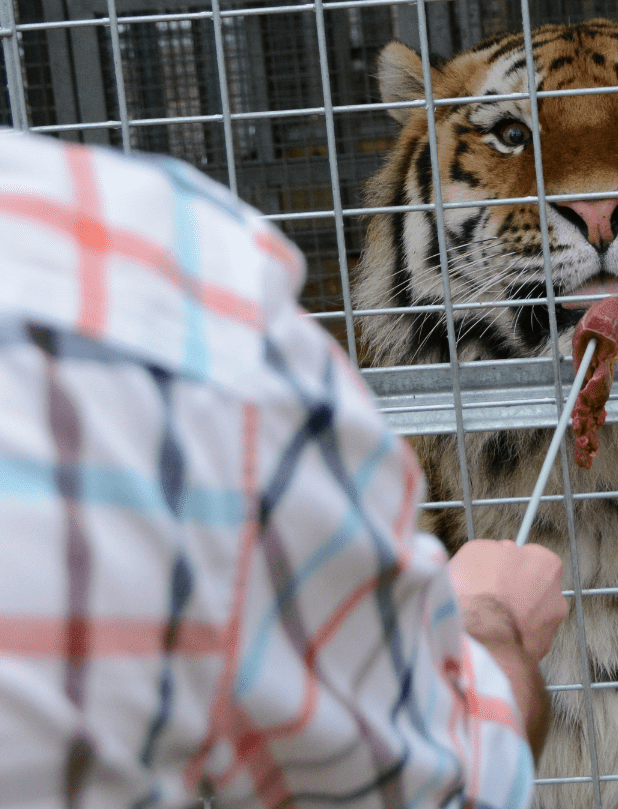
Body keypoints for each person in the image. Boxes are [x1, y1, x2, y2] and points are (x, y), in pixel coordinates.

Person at [0, 128, 567, 808]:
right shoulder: (154, 263)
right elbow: (446, 786)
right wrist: (491, 624)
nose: (590, 194)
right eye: (505, 136)